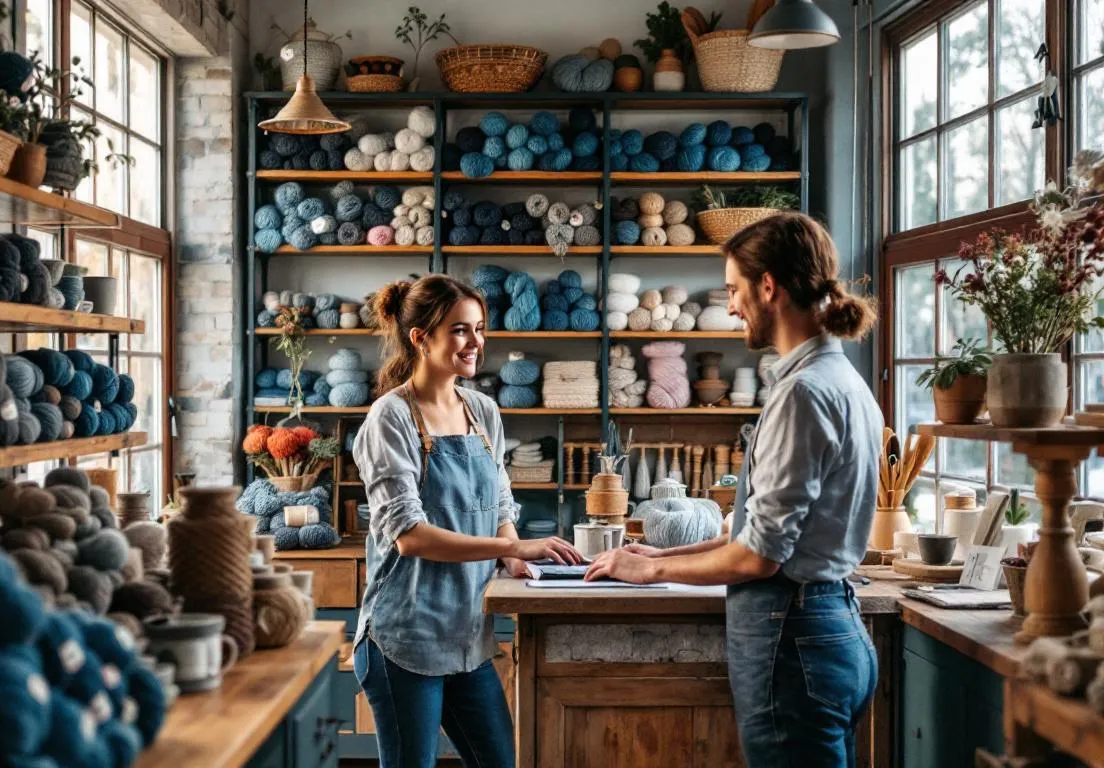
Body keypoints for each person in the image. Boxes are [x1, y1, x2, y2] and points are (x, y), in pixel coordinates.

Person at [585, 212, 884, 767]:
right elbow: (762, 533)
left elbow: (760, 557)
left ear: (768, 286)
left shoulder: (804, 393)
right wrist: (664, 552)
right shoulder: (844, 380)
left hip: (794, 639)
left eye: (734, 289)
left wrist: (651, 571)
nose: (730, 306)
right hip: (831, 629)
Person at [352, 274, 582, 768]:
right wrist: (512, 550)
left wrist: (512, 548)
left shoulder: (482, 410)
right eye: (460, 330)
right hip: (403, 638)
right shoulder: (389, 418)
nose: (476, 342)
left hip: (467, 634)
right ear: (421, 338)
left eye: (479, 328)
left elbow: (501, 501)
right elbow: (410, 537)